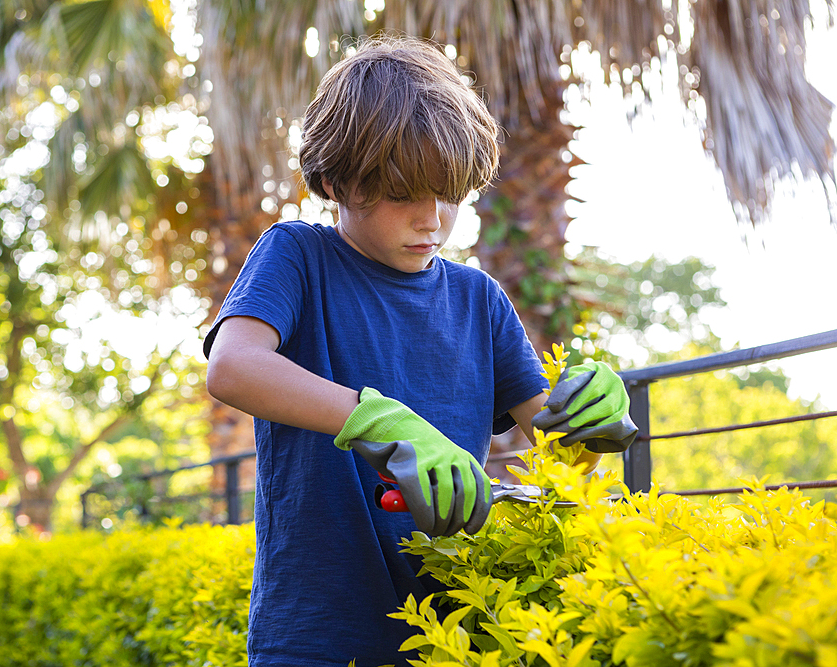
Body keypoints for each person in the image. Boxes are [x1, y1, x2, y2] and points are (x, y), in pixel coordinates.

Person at [203, 35, 635, 667]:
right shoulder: (298, 256)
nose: (432, 219)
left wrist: (588, 421)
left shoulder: (479, 300)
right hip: (317, 635)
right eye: (406, 193)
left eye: (450, 194)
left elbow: (557, 461)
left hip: (459, 634)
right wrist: (377, 417)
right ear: (334, 180)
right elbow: (234, 367)